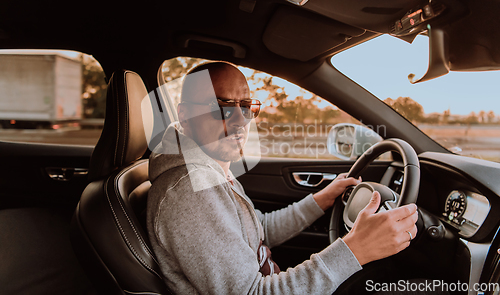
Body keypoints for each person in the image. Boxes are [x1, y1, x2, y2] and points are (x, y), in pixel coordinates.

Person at [146, 61, 418, 294]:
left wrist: (321, 199)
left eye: (247, 107)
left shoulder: (210, 168)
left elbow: (257, 229)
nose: (240, 121)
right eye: (223, 107)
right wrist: (356, 249)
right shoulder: (191, 190)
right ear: (185, 115)